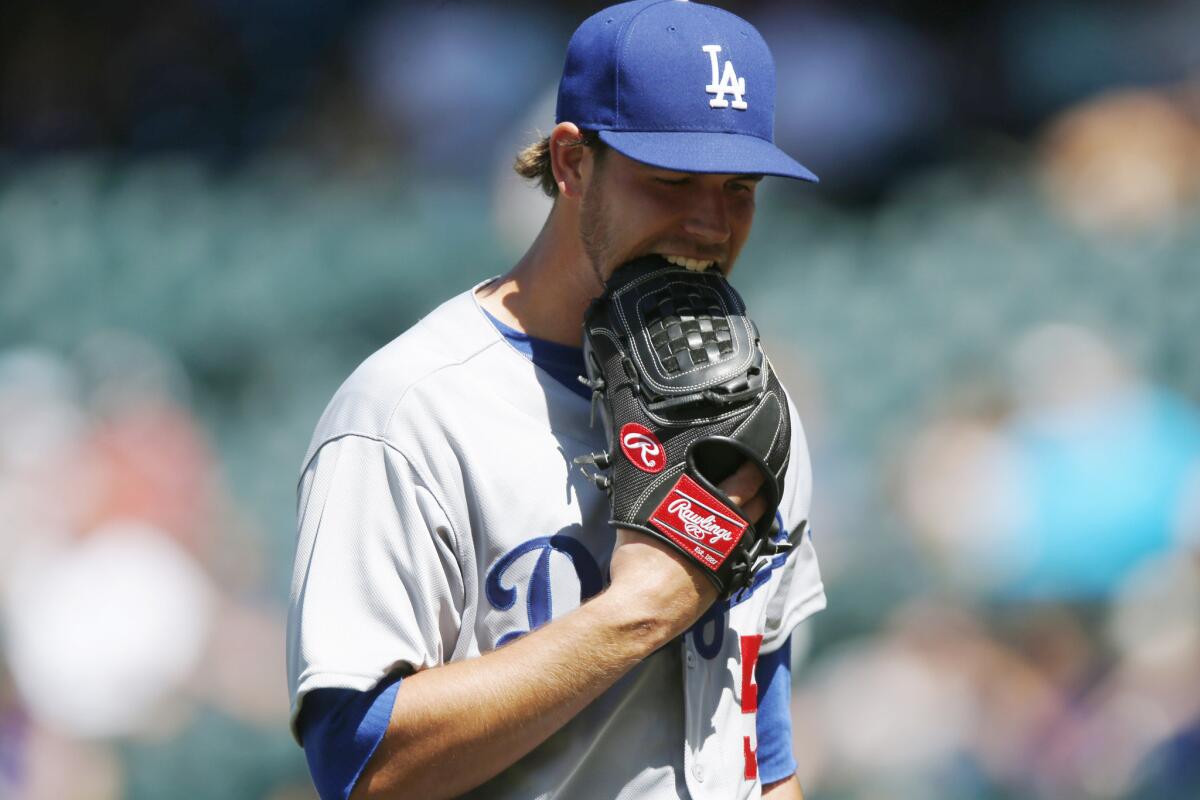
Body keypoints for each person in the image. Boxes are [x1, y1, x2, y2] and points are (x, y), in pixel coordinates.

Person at [285, 1, 826, 798]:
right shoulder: (410, 411)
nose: (711, 222)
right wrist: (636, 611)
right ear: (571, 163)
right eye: (672, 181)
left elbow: (762, 748)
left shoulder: (753, 408)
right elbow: (360, 764)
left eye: (739, 187)